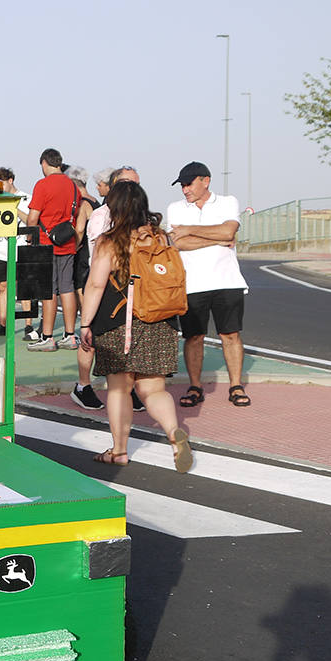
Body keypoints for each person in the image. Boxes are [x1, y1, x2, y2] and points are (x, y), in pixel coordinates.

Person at [79, 181, 192, 473]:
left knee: (119, 388)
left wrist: (85, 323)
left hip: (119, 321)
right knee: (154, 388)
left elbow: (95, 284)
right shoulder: (161, 237)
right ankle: (174, 435)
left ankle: (118, 451)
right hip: (160, 319)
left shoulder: (109, 241)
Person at [166, 161, 249, 408]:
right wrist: (219, 237)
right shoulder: (175, 208)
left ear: (206, 180)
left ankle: (236, 385)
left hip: (227, 281)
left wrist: (190, 230)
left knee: (231, 335)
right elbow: (178, 244)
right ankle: (195, 386)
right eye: (182, 185)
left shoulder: (228, 202)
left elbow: (229, 232)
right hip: (191, 284)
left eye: (189, 184)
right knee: (193, 337)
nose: (185, 190)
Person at [83, 166, 144, 413]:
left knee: (127, 350)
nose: (132, 188)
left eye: (136, 184)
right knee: (91, 339)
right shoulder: (101, 217)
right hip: (107, 287)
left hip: (133, 291)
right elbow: (100, 263)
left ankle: (128, 392)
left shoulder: (141, 220)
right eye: (127, 183)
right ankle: (83, 385)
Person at [26, 148, 84, 351]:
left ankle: (48, 337)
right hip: (67, 242)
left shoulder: (42, 185)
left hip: (45, 243)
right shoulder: (73, 186)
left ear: (44, 163)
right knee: (67, 288)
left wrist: (28, 236)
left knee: (48, 291)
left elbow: (33, 218)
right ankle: (70, 334)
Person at [66, 165, 102, 410]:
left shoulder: (82, 202)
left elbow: (79, 229)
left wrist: (71, 249)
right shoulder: (98, 201)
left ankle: (83, 384)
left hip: (85, 264)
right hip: (96, 265)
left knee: (87, 320)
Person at [0, 168, 31, 338]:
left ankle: (28, 325)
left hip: (21, 249)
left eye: (2, 183)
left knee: (24, 288)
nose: (0, 188)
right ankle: (2, 323)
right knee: (2, 287)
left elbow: (30, 220)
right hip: (0, 251)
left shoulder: (26, 198)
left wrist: (14, 206)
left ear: (10, 181)